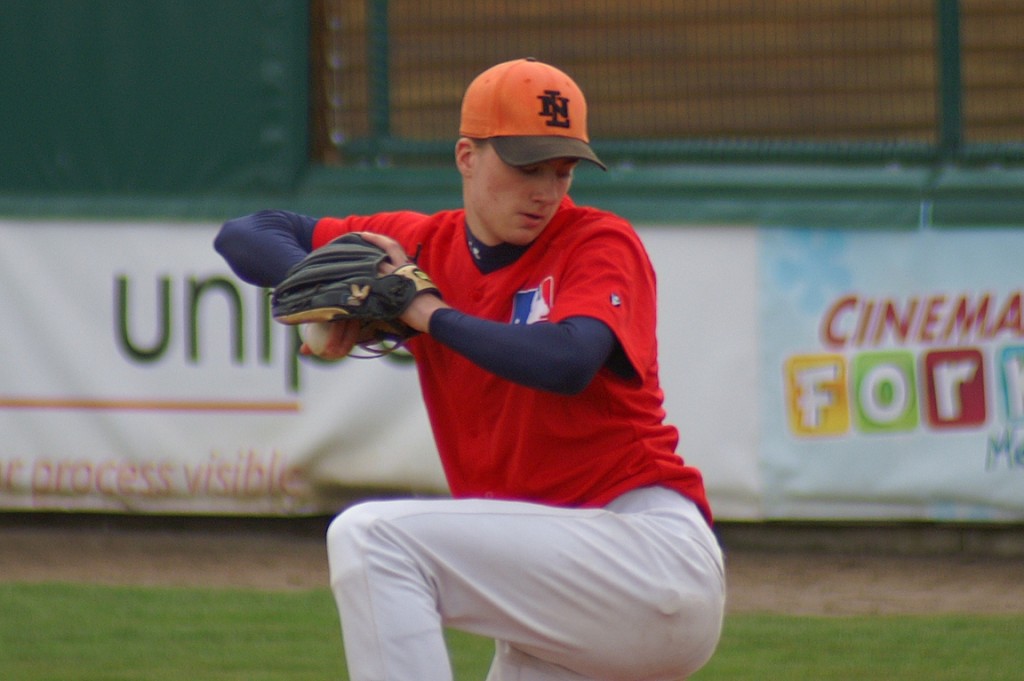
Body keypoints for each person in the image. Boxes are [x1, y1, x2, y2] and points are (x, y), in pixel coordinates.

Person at [215, 58, 725, 681]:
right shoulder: (423, 246)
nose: (546, 191)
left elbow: (567, 361)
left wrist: (423, 311)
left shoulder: (596, 241)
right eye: (527, 167)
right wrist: (350, 294)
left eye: (562, 170)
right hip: (552, 593)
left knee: (373, 538)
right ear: (466, 156)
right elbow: (249, 233)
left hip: (643, 555)